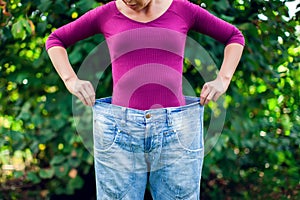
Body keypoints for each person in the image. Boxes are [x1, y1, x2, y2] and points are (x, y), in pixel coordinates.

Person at [46, 0, 244, 199]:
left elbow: (234, 36)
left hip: (177, 130)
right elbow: (55, 40)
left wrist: (223, 80)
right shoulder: (106, 14)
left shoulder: (182, 9)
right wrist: (71, 80)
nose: (129, 1)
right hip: (119, 130)